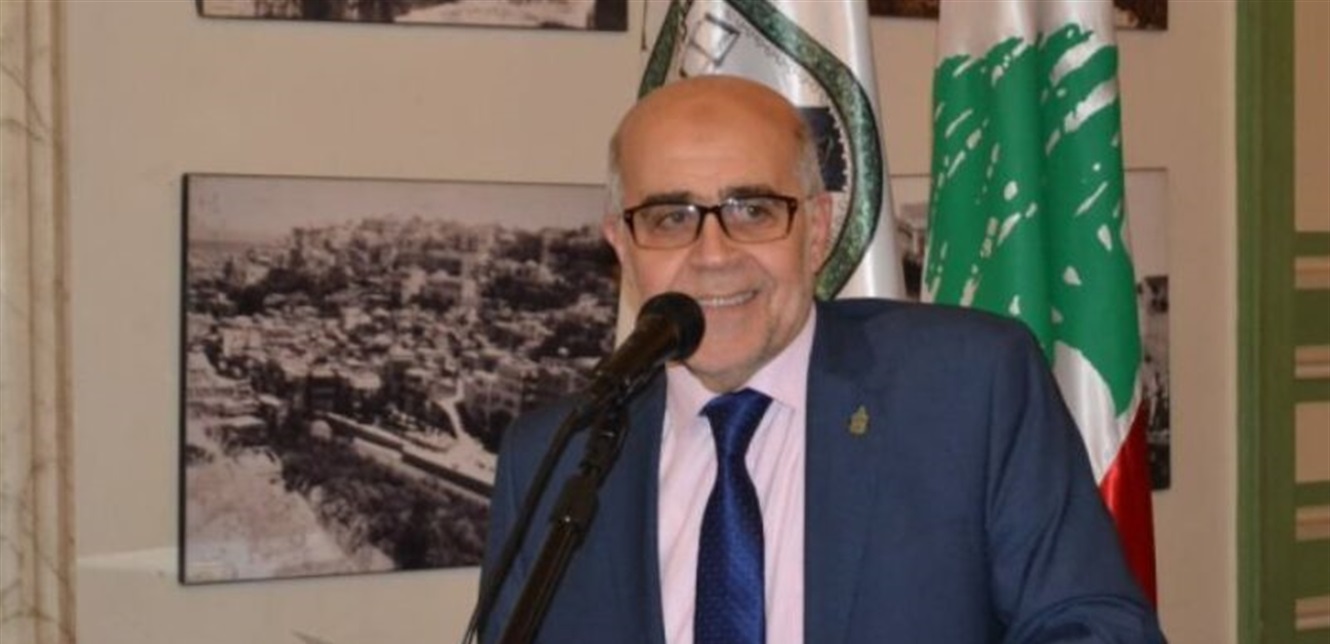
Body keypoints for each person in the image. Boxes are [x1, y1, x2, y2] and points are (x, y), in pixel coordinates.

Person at [480, 76, 1165, 643]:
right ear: (623, 247)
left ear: (817, 229)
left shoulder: (968, 389)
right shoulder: (554, 457)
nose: (713, 255)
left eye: (753, 210)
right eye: (670, 218)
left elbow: (1098, 630)